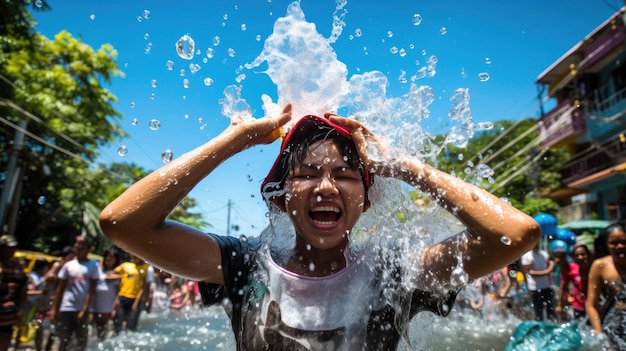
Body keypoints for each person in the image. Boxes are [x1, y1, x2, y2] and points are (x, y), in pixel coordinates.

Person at [99, 104, 541, 349]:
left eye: (346, 175)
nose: (325, 187)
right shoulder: (244, 264)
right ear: (281, 195)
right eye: (306, 174)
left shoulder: (394, 273)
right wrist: (232, 141)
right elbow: (122, 223)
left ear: (366, 201)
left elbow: (517, 234)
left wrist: (404, 166)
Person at [51, 236, 100, 351]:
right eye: (76, 243)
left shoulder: (93, 265)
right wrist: (54, 309)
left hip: (81, 308)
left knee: (81, 338)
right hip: (66, 306)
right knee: (64, 338)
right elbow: (60, 289)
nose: (78, 246)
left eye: (81, 244)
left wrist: (84, 310)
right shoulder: (69, 265)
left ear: (88, 248)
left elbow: (91, 289)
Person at [586, 223, 626, 351]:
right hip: (614, 326)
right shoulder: (600, 266)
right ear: (607, 245)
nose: (620, 246)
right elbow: (591, 304)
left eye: (624, 242)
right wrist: (600, 335)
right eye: (614, 243)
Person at [0, 235, 28, 351]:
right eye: (8, 248)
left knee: (5, 340)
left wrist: (22, 307)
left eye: (13, 248)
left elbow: (23, 287)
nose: (12, 251)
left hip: (9, 313)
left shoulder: (17, 266)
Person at [554, 243, 592, 322]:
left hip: (594, 306)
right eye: (577, 255)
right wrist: (560, 304)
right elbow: (563, 287)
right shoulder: (570, 268)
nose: (580, 257)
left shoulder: (594, 268)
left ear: (589, 255)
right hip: (578, 306)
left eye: (583, 254)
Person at [112, 255, 149, 334]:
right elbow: (112, 273)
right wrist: (121, 276)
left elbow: (144, 287)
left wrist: (136, 302)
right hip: (123, 297)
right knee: (119, 321)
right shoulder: (126, 265)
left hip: (135, 299)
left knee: (132, 324)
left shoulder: (145, 268)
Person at [521, 241, 557, 322]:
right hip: (535, 288)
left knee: (551, 310)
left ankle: (552, 326)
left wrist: (550, 267)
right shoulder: (527, 255)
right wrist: (547, 271)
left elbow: (550, 263)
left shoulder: (544, 254)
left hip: (547, 286)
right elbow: (530, 272)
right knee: (538, 311)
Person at [90, 248, 121, 341]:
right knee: (96, 331)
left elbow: (120, 292)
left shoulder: (119, 273)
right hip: (96, 306)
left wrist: (115, 307)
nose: (109, 259)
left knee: (109, 333)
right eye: (107, 256)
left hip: (110, 307)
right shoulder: (98, 270)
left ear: (116, 260)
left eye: (112, 257)